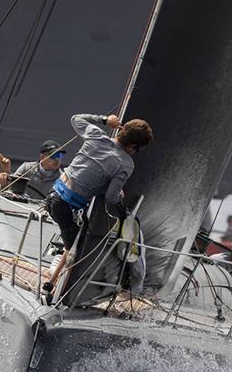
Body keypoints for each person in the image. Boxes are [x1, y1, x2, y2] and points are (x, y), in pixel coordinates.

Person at [45, 113, 153, 291]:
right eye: (138, 149)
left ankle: (52, 280)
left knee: (73, 241)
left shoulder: (96, 135)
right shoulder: (126, 164)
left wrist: (104, 120)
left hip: (52, 195)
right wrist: (119, 194)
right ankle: (57, 289)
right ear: (134, 146)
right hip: (65, 206)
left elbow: (75, 119)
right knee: (79, 250)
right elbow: (111, 198)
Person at [0, 140, 65, 199]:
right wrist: (6, 174)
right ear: (42, 156)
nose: (57, 159)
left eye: (60, 156)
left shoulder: (63, 178)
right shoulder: (26, 168)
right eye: (53, 155)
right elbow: (10, 189)